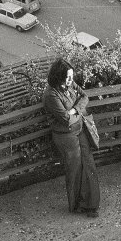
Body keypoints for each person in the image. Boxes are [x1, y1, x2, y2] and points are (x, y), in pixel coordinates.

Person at [43, 58, 101, 218]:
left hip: (79, 129)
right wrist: (75, 113)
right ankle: (76, 205)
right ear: (58, 76)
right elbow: (65, 120)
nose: (71, 79)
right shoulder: (51, 95)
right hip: (65, 136)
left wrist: (74, 110)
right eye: (68, 77)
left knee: (88, 164)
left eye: (71, 76)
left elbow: (85, 97)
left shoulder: (71, 84)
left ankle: (90, 205)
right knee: (74, 169)